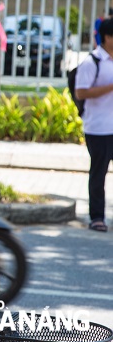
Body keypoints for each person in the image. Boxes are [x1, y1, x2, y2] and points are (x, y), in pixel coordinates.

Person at [76, 17, 113, 232]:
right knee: (98, 174)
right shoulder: (92, 62)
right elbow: (81, 92)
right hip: (97, 129)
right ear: (107, 37)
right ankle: (97, 217)